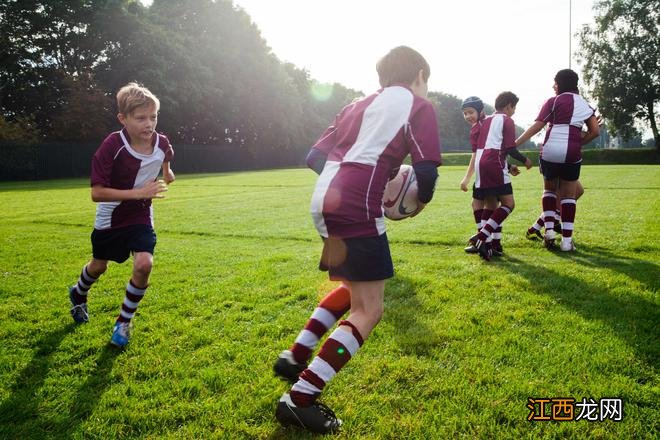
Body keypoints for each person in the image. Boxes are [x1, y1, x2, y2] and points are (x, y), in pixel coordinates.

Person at [273, 46, 441, 434]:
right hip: (356, 204)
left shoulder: (355, 105)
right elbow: (427, 171)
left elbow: (314, 156)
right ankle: (300, 399)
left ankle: (296, 354)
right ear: (418, 74)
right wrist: (415, 203)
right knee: (370, 309)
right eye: (426, 81)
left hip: (324, 200)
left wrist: (358, 182)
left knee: (354, 288)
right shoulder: (417, 105)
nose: (427, 89)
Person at [67, 82, 175, 347]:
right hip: (110, 216)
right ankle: (78, 293)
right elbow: (97, 193)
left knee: (144, 264)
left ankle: (123, 322)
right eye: (140, 118)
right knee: (99, 266)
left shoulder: (160, 141)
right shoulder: (112, 145)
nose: (149, 124)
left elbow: (166, 153)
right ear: (123, 118)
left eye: (153, 117)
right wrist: (139, 192)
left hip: (140, 215)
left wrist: (167, 171)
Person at [516, 69, 599, 251]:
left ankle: (549, 232)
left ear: (560, 83)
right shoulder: (584, 104)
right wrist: (578, 142)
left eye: (555, 82)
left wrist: (514, 144)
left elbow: (537, 126)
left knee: (550, 191)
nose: (553, 86)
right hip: (571, 152)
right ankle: (567, 243)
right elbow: (595, 131)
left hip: (550, 150)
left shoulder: (552, 101)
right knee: (570, 195)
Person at [469, 91, 532, 261]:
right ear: (508, 106)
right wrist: (525, 160)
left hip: (480, 164)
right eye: (514, 107)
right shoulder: (507, 120)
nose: (514, 111)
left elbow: (480, 141)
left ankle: (491, 245)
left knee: (490, 204)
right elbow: (510, 148)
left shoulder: (484, 120)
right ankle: (481, 238)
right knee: (508, 204)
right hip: (495, 163)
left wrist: (509, 165)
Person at [459, 96, 520, 254]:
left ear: (481, 111)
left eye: (470, 112)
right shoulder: (487, 123)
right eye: (464, 113)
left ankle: (483, 241)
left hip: (488, 170)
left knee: (483, 205)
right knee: (490, 206)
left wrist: (466, 178)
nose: (467, 117)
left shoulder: (482, 125)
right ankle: (493, 244)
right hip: (493, 168)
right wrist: (510, 165)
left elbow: (479, 155)